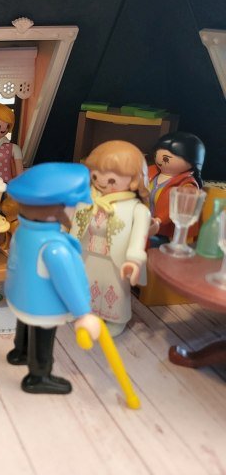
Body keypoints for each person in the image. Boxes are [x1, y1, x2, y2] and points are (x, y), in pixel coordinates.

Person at [5, 163, 101, 395]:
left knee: (25, 323)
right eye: (74, 205)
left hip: (21, 297)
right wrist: (83, 314)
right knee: (43, 336)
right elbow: (68, 284)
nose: (77, 211)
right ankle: (38, 375)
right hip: (43, 305)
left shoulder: (22, 231)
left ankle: (20, 351)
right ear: (58, 209)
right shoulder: (54, 247)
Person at [71, 141, 152, 337]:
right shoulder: (87, 200)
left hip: (116, 260)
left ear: (135, 180)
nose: (101, 182)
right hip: (89, 255)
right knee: (88, 284)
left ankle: (116, 319)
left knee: (114, 289)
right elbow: (74, 225)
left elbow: (138, 240)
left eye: (112, 180)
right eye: (95, 176)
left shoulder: (137, 209)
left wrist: (134, 259)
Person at [147, 131, 205, 244]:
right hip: (145, 223)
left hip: (167, 233)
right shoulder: (150, 172)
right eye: (156, 155)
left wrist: (159, 220)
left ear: (191, 161)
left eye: (166, 159)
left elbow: (178, 208)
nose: (159, 160)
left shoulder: (187, 185)